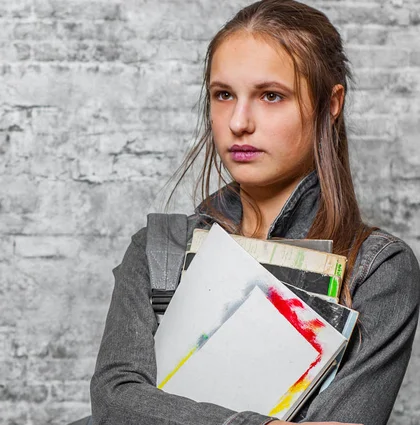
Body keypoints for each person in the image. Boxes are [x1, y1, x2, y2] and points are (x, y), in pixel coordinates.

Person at [88, 0, 420, 424]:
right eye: (223, 94)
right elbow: (115, 400)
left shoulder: (378, 270)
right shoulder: (159, 249)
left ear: (330, 103)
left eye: (270, 95)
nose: (239, 122)